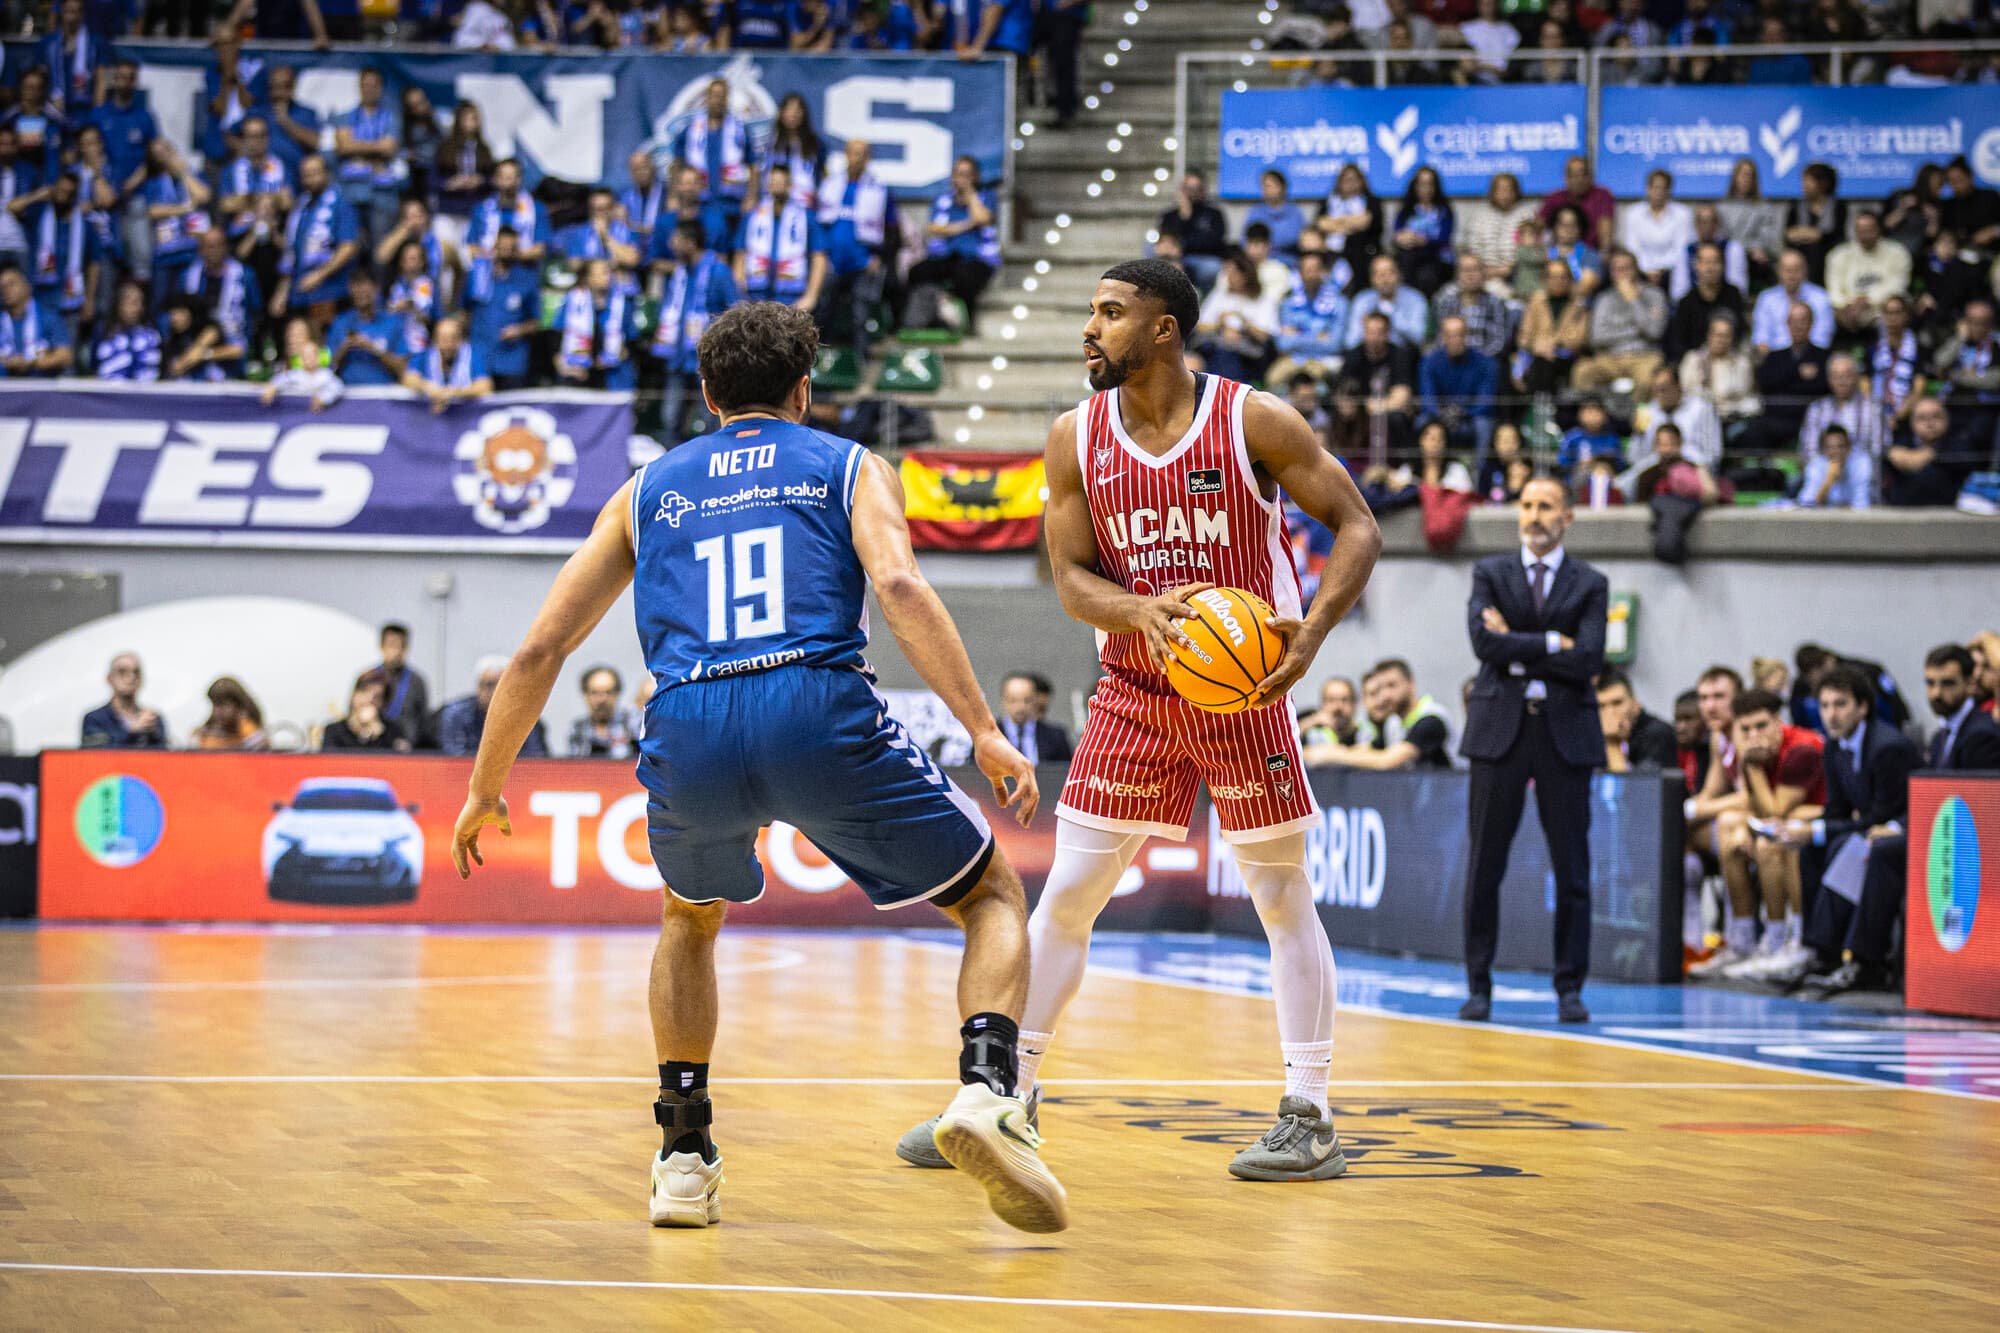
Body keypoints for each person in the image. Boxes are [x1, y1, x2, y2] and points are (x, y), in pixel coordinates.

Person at [449, 300, 1068, 1234]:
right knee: (990, 899)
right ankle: (985, 1094)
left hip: (689, 720)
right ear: (805, 390)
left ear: (705, 394)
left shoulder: (648, 487)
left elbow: (539, 649)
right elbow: (898, 586)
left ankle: (683, 1156)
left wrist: (485, 784)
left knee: (689, 919)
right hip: (814, 703)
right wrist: (981, 727)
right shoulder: (851, 464)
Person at [896, 257, 1381, 1184]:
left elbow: (1358, 524)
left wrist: (1310, 634)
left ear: (1164, 329)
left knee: (1280, 895)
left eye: (1111, 313)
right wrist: (1139, 613)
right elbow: (1072, 577)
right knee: (1068, 896)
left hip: (1246, 688)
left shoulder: (1255, 420)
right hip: (1135, 684)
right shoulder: (1073, 437)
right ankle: (1006, 1100)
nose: (1092, 328)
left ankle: (1310, 1112)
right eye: (1091, 311)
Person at [1459, 478, 1608, 1025]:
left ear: (1568, 516)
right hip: (1499, 732)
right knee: (1483, 867)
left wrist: (1517, 648)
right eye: (1526, 505)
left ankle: (1570, 990)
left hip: (1565, 737)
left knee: (1572, 870)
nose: (1534, 515)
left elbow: (1590, 659)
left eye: (1546, 506)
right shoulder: (1490, 572)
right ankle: (1478, 986)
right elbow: (1484, 645)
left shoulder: (1591, 582)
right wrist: (1553, 644)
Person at [1758, 664, 1921, 989]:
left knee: (1855, 848)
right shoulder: (1833, 746)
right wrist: (1799, 827)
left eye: (1840, 704)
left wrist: (1816, 829)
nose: (1831, 715)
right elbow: (1837, 811)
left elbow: (1879, 816)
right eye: (1825, 705)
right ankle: (1820, 952)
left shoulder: (1888, 747)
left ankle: (1863, 961)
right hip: (1871, 827)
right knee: (1811, 848)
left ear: (1862, 707)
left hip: (1907, 831)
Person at [1704, 689, 1825, 981]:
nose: (1754, 735)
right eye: (1745, 729)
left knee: (1772, 843)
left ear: (1778, 722)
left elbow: (1777, 810)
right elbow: (1760, 810)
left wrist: (1751, 768)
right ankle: (1743, 942)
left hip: (1824, 819)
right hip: (1787, 817)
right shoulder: (1754, 754)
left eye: (1761, 726)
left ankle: (1790, 941)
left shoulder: (1802, 750)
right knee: (1729, 829)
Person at [815, 139, 900, 372]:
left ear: (868, 157)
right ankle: (820, 362)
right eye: (853, 153)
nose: (857, 158)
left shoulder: (879, 190)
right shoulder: (830, 186)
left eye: (862, 154)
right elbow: (818, 225)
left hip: (863, 261)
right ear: (845, 155)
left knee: (861, 316)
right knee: (823, 311)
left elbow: (892, 229)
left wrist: (878, 257)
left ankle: (860, 364)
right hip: (832, 261)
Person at [909, 155, 999, 335]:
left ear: (975, 177)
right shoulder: (943, 200)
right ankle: (923, 320)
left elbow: (982, 219)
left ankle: (967, 325)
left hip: (976, 258)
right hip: (947, 256)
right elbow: (934, 228)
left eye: (967, 175)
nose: (962, 179)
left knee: (964, 278)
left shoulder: (986, 198)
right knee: (917, 272)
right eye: (958, 174)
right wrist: (966, 225)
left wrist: (971, 196)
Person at [1310, 659, 1450, 770]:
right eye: (1381, 688)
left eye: (1392, 685)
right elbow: (1369, 752)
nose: (1385, 695)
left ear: (1411, 683)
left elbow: (1387, 761)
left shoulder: (1432, 719)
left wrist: (1334, 755)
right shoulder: (1393, 723)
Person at [673, 80, 755, 253]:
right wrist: (673, 195)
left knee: (732, 248)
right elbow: (677, 163)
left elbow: (753, 166)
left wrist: (751, 197)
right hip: (699, 203)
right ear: (706, 98)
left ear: (727, 99)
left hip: (731, 203)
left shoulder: (739, 129)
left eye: (721, 96)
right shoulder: (691, 129)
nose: (717, 100)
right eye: (714, 95)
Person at [733, 163, 824, 311]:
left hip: (792, 297)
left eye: (781, 182)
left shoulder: (805, 217)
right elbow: (740, 254)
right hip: (756, 295)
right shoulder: (753, 216)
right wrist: (739, 291)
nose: (777, 187)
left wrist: (811, 296)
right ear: (767, 185)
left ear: (790, 185)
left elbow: (819, 256)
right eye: (773, 182)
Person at [437, 655, 548, 758]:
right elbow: (454, 758)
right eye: (489, 685)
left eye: (500, 686)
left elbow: (534, 760)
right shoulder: (456, 714)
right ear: (478, 687)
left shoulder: (524, 717)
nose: (495, 692)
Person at [400, 314, 491, 414]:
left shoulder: (472, 355)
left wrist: (454, 393)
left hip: (463, 416)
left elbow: (485, 386)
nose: (448, 344)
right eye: (443, 338)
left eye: (453, 338)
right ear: (435, 339)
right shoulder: (424, 355)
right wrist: (429, 388)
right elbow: (409, 379)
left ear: (461, 339)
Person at [80, 653, 169, 747]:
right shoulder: (94, 719)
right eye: (122, 672)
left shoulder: (153, 719)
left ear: (141, 680)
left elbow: (162, 755)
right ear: (109, 678)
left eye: (136, 672)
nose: (130, 677)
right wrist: (133, 732)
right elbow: (95, 754)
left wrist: (153, 735)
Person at [1597, 668, 1677, 771]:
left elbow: (1638, 785)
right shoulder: (1589, 736)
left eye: (1617, 703)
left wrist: (1612, 742)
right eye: (1600, 706)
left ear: (1635, 704)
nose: (1609, 713)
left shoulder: (1657, 734)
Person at [566, 665, 643, 758]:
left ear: (617, 693)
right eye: (595, 692)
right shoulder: (578, 728)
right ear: (585, 694)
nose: (601, 699)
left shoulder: (632, 723)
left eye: (608, 692)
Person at [997, 672, 1073, 765]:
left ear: (1035, 701)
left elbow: (1068, 771)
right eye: (1013, 700)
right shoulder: (988, 735)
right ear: (1003, 701)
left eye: (1027, 700)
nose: (1020, 707)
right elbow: (975, 771)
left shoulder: (1055, 737)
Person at [374, 622, 428, 750]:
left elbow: (423, 721)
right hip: (374, 748)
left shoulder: (417, 681)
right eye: (392, 645)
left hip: (407, 749)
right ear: (381, 646)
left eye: (402, 646)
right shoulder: (369, 679)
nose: (397, 652)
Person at [322, 670, 401, 751]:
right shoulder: (334, 730)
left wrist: (378, 735)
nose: (369, 700)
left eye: (377, 697)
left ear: (384, 703)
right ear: (354, 695)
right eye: (364, 692)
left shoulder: (391, 731)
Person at [191, 676, 267, 750]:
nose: (216, 711)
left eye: (222, 705)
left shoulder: (248, 728)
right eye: (214, 705)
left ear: (239, 707)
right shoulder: (207, 731)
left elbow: (259, 744)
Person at [1300, 676, 1371, 755]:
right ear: (1322, 704)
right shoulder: (1310, 731)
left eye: (1344, 700)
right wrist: (1308, 724)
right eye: (1331, 700)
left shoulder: (1366, 732)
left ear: (1354, 704)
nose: (1338, 706)